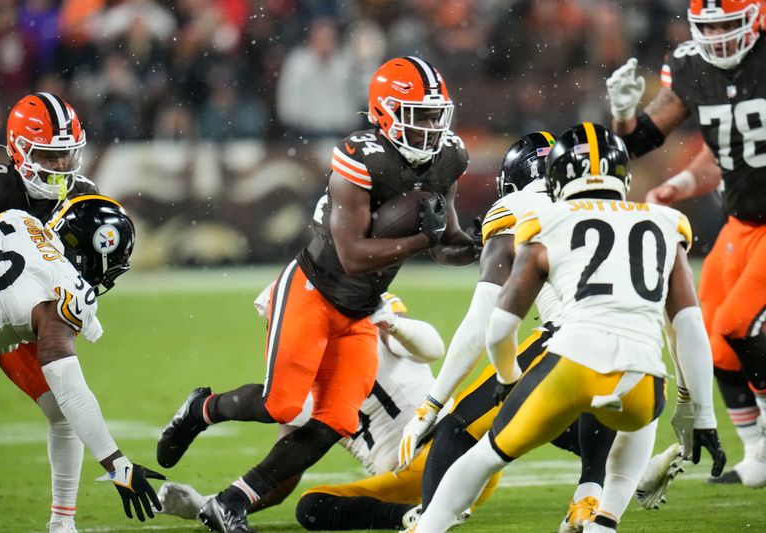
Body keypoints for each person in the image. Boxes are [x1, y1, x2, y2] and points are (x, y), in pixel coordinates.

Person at [156, 56, 480, 533]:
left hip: (363, 309)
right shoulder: (359, 156)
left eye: (435, 114)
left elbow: (446, 244)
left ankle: (231, 502)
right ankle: (202, 408)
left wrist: (481, 242)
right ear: (385, 113)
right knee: (280, 405)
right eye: (420, 114)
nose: (431, 127)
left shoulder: (448, 156)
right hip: (314, 290)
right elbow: (352, 255)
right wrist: (422, 239)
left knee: (336, 419)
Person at [411, 123, 726, 533]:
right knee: (629, 427)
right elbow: (687, 328)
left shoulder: (545, 220)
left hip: (572, 362)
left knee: (485, 454)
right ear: (624, 177)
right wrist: (698, 413)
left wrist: (507, 379)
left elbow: (498, 325)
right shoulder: (664, 222)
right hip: (643, 383)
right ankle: (600, 518)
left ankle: (426, 526)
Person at [397, 131, 620, 533]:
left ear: (511, 182)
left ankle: (429, 524)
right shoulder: (602, 202)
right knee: (559, 412)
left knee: (456, 429)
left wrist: (431, 404)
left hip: (569, 334)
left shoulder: (515, 207)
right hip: (631, 341)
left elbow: (484, 322)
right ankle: (593, 495)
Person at [605, 0, 766, 486]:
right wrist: (622, 112)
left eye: (727, 23)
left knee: (739, 324)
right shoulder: (694, 66)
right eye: (709, 25)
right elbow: (639, 141)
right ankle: (757, 454)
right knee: (709, 338)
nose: (717, 35)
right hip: (741, 220)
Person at [158, 290, 464, 530]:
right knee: (312, 507)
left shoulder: (371, 324)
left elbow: (434, 348)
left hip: (448, 442)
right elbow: (276, 481)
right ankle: (415, 515)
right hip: (410, 483)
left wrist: (394, 324)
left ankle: (201, 410)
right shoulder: (303, 384)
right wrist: (205, 505)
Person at [0, 194, 163, 529]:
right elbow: (70, 388)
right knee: (65, 404)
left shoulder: (19, 218)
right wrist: (119, 467)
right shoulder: (66, 289)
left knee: (60, 413)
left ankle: (62, 524)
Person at [0, 92, 101, 533]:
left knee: (64, 410)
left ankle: (62, 523)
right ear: (18, 151)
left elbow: (74, 291)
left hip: (24, 322)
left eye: (67, 156)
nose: (61, 168)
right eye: (48, 155)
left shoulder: (83, 200)